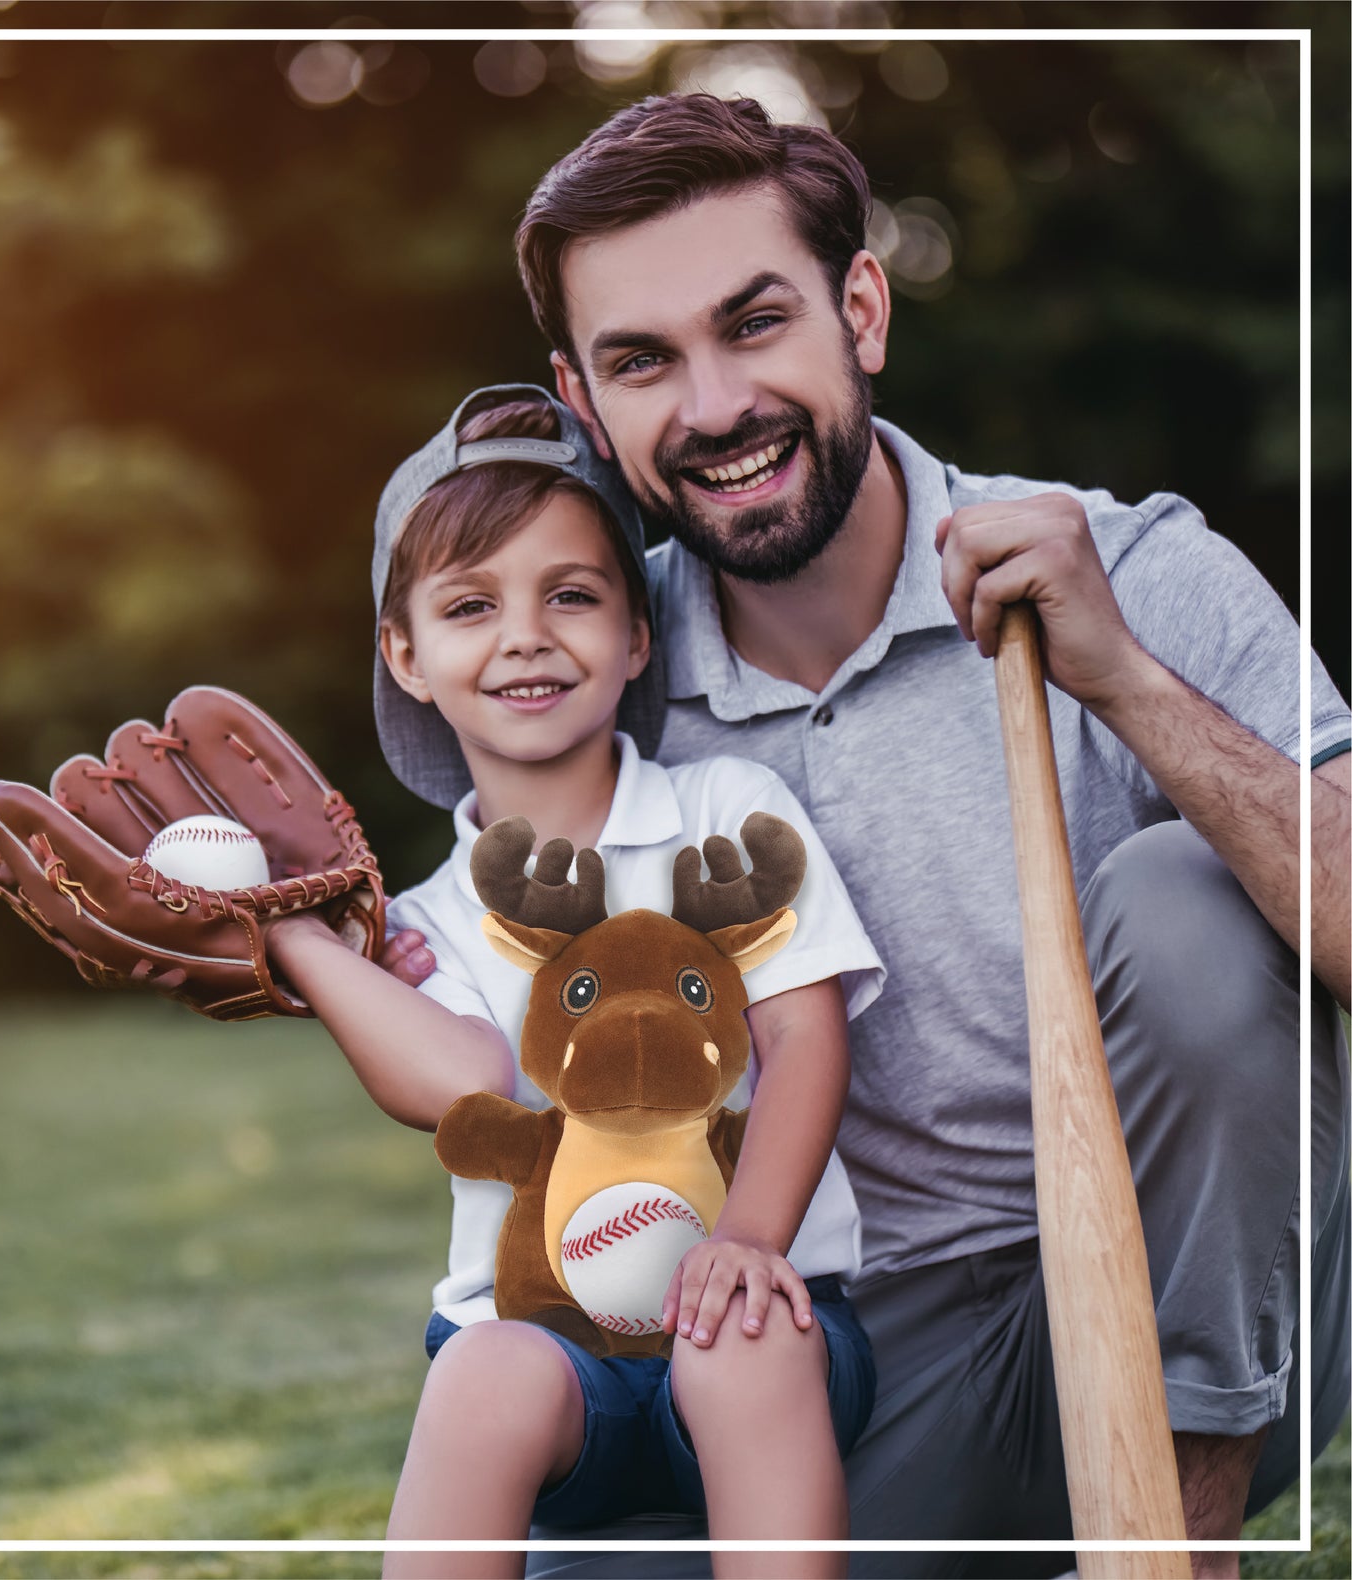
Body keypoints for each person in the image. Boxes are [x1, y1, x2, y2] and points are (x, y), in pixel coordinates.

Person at [387, 94, 1348, 1579]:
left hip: (1191, 1295)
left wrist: (1125, 682)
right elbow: (463, 927)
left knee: (1184, 899)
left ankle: (1173, 1553)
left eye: (753, 322)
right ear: (582, 399)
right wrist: (295, 942)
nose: (713, 406)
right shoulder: (590, 660)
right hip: (838, 1345)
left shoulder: (1129, 566)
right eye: (642, 361)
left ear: (861, 309)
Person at [268, 384, 884, 1580]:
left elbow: (806, 1039)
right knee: (482, 1370)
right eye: (469, 604)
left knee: (742, 1337)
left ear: (637, 633)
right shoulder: (425, 920)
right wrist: (300, 939)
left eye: (571, 594)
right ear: (405, 653)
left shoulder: (723, 812)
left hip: (765, 1321)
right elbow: (462, 1079)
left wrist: (747, 1238)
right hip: (553, 1360)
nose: (524, 635)